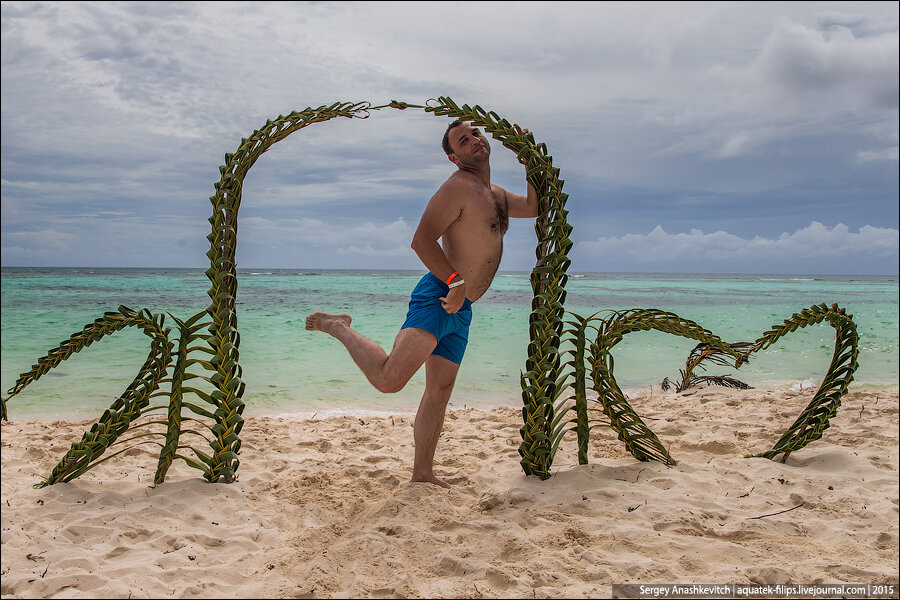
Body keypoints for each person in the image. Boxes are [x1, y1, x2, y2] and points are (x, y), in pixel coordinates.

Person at [306, 119, 538, 488]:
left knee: (439, 392)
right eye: (463, 140)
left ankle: (423, 472)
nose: (474, 140)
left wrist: (529, 161)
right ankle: (339, 327)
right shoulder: (457, 188)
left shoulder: (494, 193)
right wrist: (456, 280)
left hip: (462, 308)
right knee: (388, 380)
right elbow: (421, 240)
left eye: (475, 133)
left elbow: (532, 206)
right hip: (440, 296)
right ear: (453, 156)